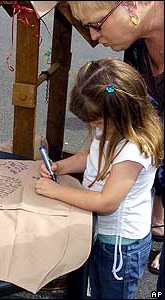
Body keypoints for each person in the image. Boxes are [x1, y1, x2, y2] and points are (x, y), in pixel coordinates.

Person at [35, 58, 163, 299]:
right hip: (104, 236)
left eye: (95, 122)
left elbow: (106, 202)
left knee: (113, 293)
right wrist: (60, 167)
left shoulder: (132, 151)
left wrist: (55, 190)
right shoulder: (113, 129)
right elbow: (91, 156)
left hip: (121, 247)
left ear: (121, 113)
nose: (92, 127)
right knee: (94, 289)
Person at [66, 1, 164, 287]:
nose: (94, 37)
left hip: (124, 243)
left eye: (96, 25)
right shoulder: (136, 50)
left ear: (132, 6)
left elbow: (107, 200)